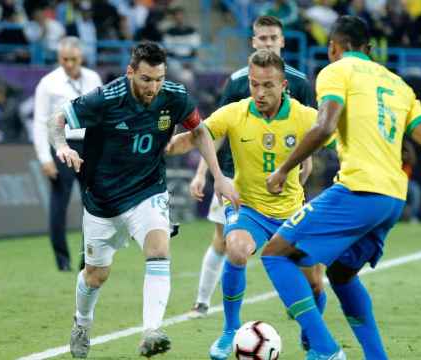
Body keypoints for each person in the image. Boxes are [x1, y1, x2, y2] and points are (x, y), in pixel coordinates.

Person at [262, 16, 421, 360]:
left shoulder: (335, 71)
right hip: (393, 199)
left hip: (359, 190)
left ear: (333, 47)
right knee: (341, 272)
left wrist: (283, 169)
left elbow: (324, 128)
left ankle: (326, 350)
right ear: (369, 49)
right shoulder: (398, 84)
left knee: (275, 253)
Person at [46, 41, 239, 358]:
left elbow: (201, 132)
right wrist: (62, 147)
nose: (153, 87)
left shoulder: (174, 96)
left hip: (148, 190)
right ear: (130, 71)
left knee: (159, 249)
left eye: (159, 78)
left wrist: (217, 176)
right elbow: (56, 120)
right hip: (103, 201)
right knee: (96, 275)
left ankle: (151, 331)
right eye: (146, 79)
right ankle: (82, 322)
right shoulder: (107, 98)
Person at [166, 49, 332, 360]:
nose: (259, 92)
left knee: (315, 286)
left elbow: (342, 139)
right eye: (254, 84)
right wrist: (162, 145)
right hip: (249, 209)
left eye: (268, 85)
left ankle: (312, 335)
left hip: (293, 213)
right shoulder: (235, 113)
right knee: (236, 248)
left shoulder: (305, 116)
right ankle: (231, 330)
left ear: (283, 86)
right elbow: (194, 137)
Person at [189, 15, 315, 318]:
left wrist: (301, 173)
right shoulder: (236, 82)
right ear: (253, 42)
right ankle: (202, 302)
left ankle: (301, 303)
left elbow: (310, 136)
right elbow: (214, 130)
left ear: (283, 41)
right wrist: (203, 173)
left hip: (284, 181)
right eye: (262, 38)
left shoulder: (299, 83)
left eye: (273, 38)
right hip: (235, 176)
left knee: (293, 251)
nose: (268, 42)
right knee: (224, 241)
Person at [33, 36, 102, 272]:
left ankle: (88, 258)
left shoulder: (93, 78)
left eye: (73, 59)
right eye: (64, 59)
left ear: (81, 57)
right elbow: (40, 122)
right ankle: (62, 260)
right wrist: (44, 157)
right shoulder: (48, 83)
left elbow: (101, 116)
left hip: (89, 146)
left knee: (92, 205)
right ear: (58, 58)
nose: (69, 64)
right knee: (59, 204)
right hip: (61, 145)